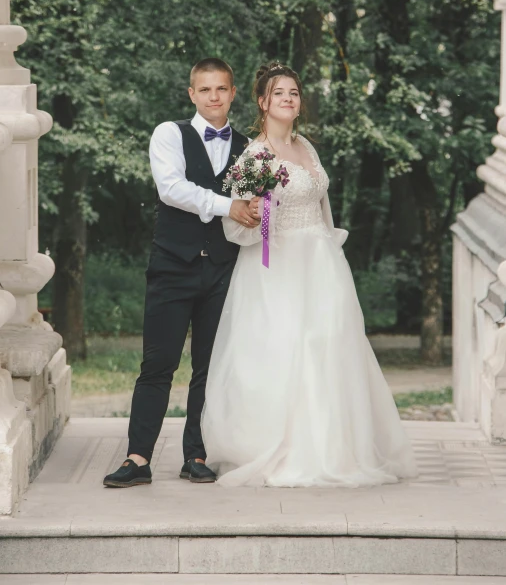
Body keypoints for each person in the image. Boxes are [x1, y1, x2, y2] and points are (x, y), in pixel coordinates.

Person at [201, 62, 418, 487]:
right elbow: (237, 223)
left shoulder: (306, 148)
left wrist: (329, 245)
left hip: (321, 261)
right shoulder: (255, 156)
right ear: (262, 103)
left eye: (294, 93)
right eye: (279, 93)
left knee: (332, 347)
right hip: (277, 266)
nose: (288, 98)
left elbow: (322, 206)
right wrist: (259, 217)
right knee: (286, 349)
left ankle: (336, 446)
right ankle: (285, 449)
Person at [104, 58, 257, 488]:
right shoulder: (169, 134)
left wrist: (262, 216)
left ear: (232, 93)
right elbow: (171, 189)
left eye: (221, 89)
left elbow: (260, 210)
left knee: (209, 368)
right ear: (192, 94)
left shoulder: (249, 148)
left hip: (226, 270)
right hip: (173, 266)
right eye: (205, 90)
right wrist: (230, 205)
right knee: (158, 364)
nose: (214, 97)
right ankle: (137, 459)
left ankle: (198, 454)